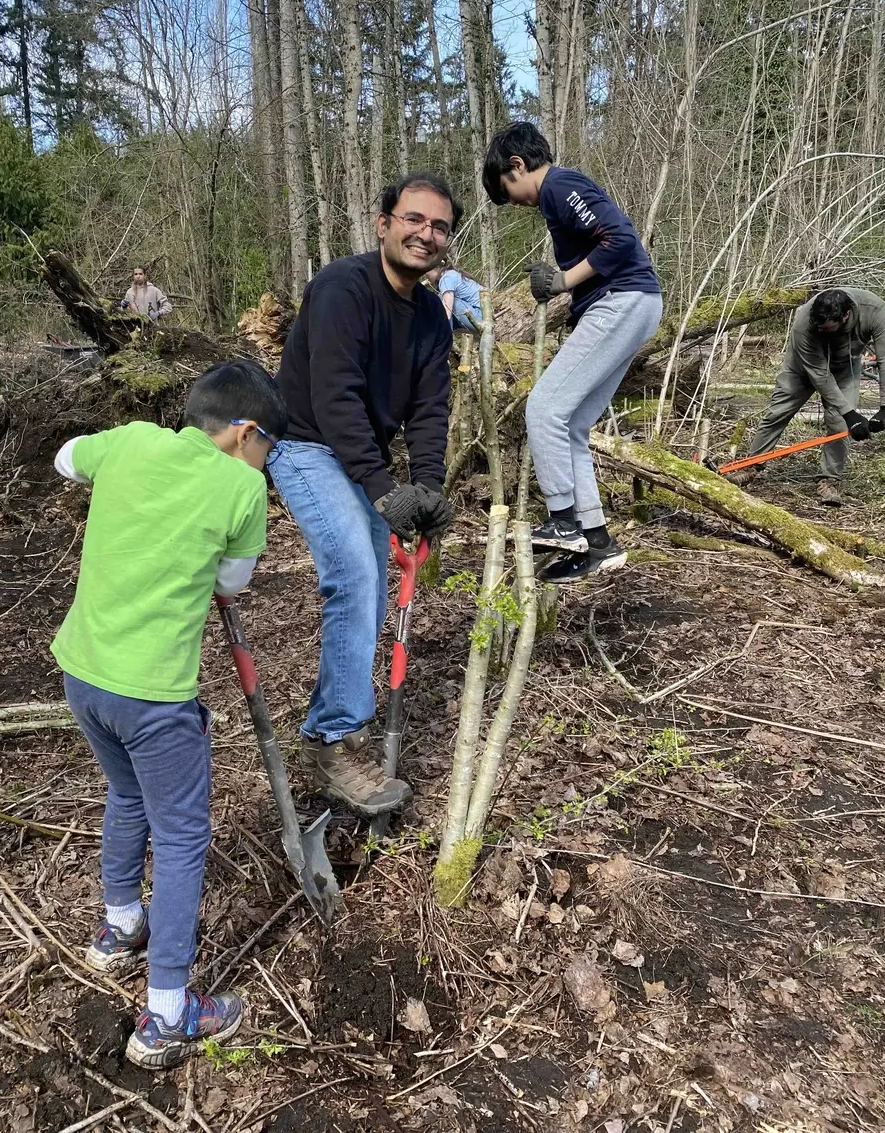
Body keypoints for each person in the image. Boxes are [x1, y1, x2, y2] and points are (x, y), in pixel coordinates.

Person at [50, 360, 287, 1069]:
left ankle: (119, 927)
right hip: (155, 696)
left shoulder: (129, 441)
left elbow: (66, 459)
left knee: (126, 793)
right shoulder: (241, 485)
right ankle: (167, 1013)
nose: (266, 462)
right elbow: (233, 581)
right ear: (244, 433)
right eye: (267, 447)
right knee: (183, 838)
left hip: (83, 673)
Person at [271, 172, 458, 816]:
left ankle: (340, 716)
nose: (424, 234)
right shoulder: (342, 288)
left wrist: (426, 490)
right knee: (353, 568)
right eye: (413, 219)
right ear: (384, 224)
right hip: (301, 440)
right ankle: (332, 740)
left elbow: (432, 407)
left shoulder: (433, 314)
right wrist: (383, 491)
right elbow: (334, 396)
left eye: (438, 226)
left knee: (377, 580)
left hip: (359, 451)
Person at [482, 122, 663, 583]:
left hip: (623, 300)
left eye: (509, 189)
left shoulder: (561, 185)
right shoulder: (557, 196)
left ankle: (564, 522)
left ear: (517, 166)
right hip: (630, 303)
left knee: (543, 408)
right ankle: (598, 543)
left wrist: (563, 282)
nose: (516, 203)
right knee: (574, 425)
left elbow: (620, 239)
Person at [730, 288, 885, 508]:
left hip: (845, 367)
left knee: (838, 423)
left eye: (826, 328)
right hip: (802, 366)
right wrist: (850, 413)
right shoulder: (804, 322)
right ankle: (751, 465)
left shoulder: (875, 311)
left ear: (845, 316)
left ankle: (830, 480)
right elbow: (820, 375)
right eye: (818, 326)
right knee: (777, 412)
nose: (820, 330)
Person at [437, 261, 483, 331]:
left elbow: (447, 312)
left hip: (479, 319)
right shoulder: (452, 274)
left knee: (440, 298)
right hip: (485, 317)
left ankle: (448, 335)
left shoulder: (446, 278)